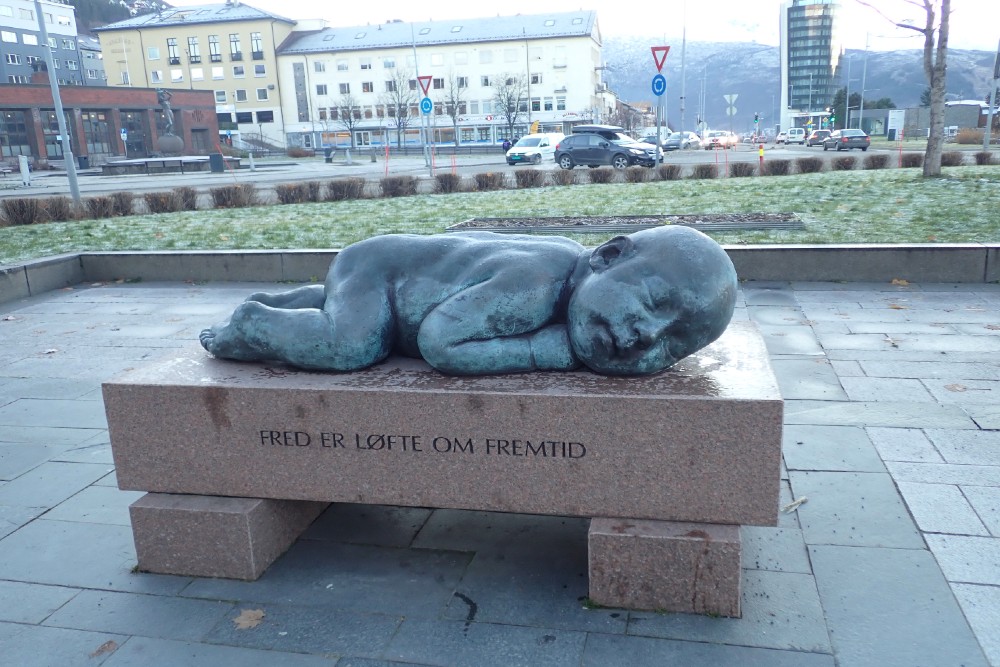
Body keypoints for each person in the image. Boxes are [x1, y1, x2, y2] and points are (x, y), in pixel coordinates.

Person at [200, 226, 738, 376]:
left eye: (671, 347)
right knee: (351, 345)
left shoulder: (568, 273)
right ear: (608, 255)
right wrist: (546, 352)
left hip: (381, 269)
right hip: (381, 276)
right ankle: (255, 323)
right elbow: (440, 341)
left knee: (345, 311)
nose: (647, 334)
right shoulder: (534, 288)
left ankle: (312, 301)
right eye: (651, 302)